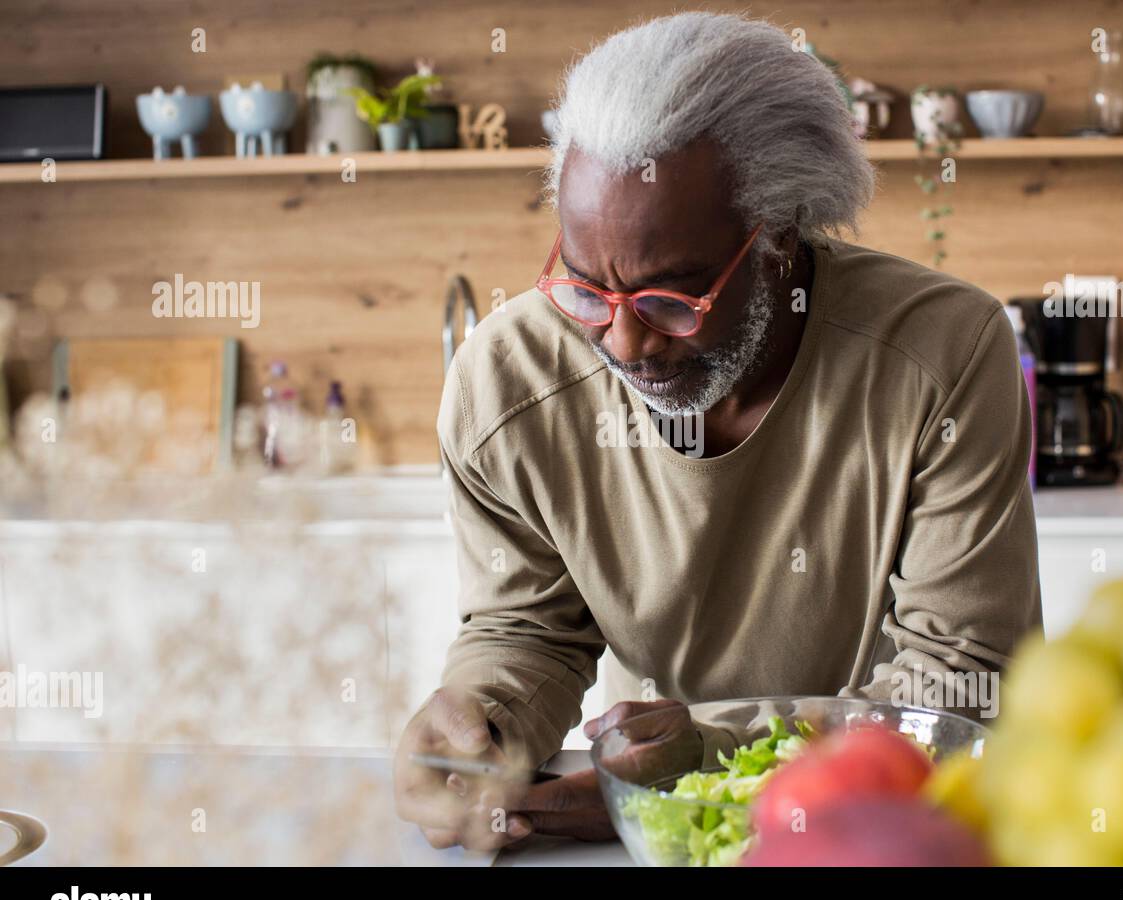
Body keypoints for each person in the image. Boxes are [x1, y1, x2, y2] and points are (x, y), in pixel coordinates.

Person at [395, 11, 1042, 852]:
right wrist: (481, 732)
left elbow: (959, 686)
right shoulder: (506, 386)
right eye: (586, 288)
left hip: (885, 834)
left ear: (778, 237)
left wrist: (704, 774)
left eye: (672, 297)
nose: (625, 343)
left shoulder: (944, 352)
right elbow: (528, 629)